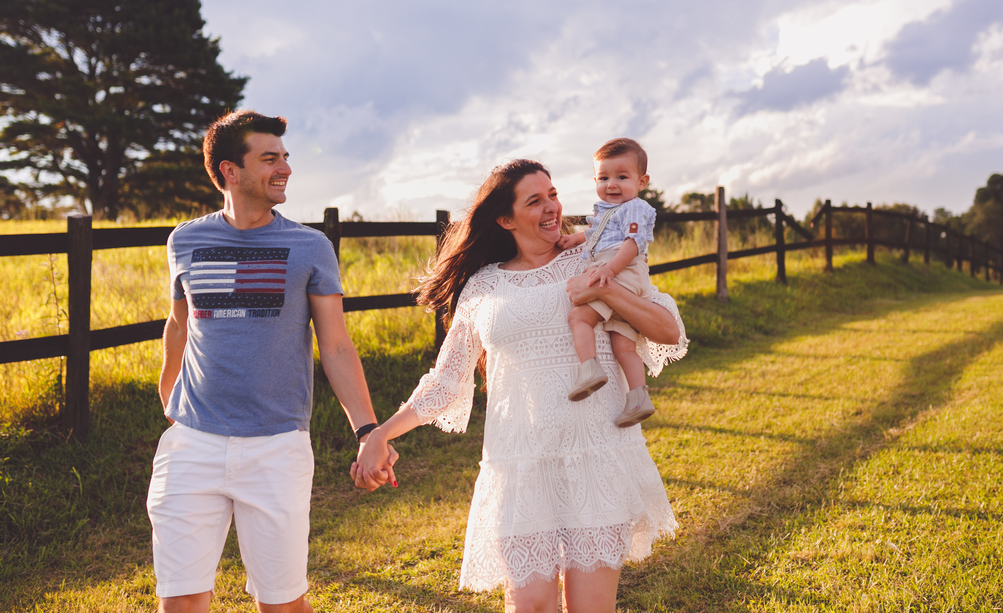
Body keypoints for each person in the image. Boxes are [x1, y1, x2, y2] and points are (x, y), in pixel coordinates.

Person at [352, 159, 688, 613]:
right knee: (529, 606)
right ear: (505, 220)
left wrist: (604, 288)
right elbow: (446, 380)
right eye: (535, 201)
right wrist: (381, 433)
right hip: (520, 464)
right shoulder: (483, 287)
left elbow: (668, 330)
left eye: (553, 194)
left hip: (595, 455)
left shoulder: (595, 256)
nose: (552, 208)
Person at [147, 110, 395, 613]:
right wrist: (169, 388)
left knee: (282, 604)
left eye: (285, 157)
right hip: (192, 445)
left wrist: (368, 430)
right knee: (180, 601)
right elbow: (179, 321)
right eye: (269, 158)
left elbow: (336, 345)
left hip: (277, 448)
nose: (284, 168)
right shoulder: (185, 240)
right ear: (229, 171)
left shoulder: (310, 247)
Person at [559, 138, 658, 427]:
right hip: (625, 275)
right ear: (595, 180)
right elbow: (596, 233)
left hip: (621, 269)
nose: (611, 184)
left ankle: (589, 369)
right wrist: (574, 239)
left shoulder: (635, 207)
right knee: (623, 346)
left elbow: (632, 243)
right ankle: (638, 398)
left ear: (642, 182)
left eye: (622, 177)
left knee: (579, 316)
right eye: (604, 178)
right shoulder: (608, 211)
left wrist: (610, 271)